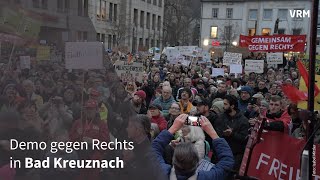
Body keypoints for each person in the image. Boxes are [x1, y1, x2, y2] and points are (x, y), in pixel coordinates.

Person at [152, 114, 234, 180]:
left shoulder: (163, 173)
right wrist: (213, 133)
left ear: (174, 160)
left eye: (185, 126)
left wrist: (173, 128)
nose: (182, 129)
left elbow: (153, 150)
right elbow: (227, 162)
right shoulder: (207, 177)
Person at [214, 95, 249, 172]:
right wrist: (223, 133)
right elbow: (216, 132)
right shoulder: (221, 117)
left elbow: (244, 138)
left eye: (226, 104)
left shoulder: (243, 120)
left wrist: (232, 134)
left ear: (232, 106)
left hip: (235, 155)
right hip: (221, 152)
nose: (223, 106)